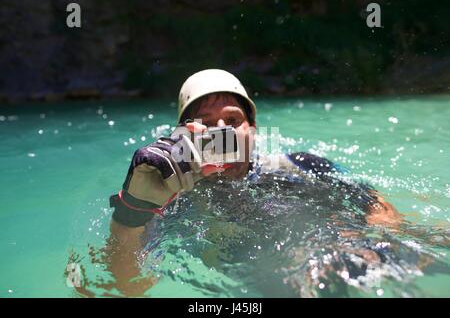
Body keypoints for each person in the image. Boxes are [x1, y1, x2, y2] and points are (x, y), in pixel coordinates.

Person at [106, 69, 402, 296]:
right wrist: (132, 212)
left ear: (254, 130)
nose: (221, 131)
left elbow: (376, 203)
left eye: (232, 121)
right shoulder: (169, 198)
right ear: (184, 136)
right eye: (205, 123)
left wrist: (366, 246)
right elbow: (130, 285)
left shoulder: (301, 165)